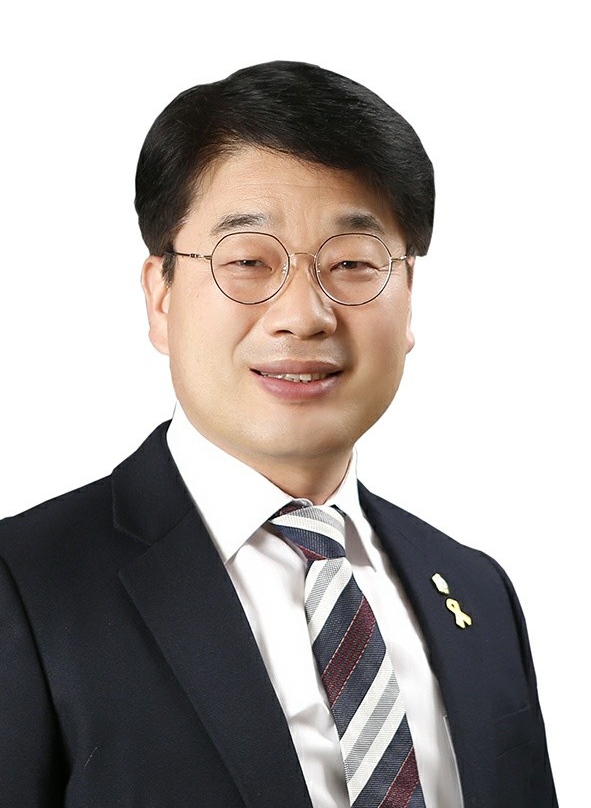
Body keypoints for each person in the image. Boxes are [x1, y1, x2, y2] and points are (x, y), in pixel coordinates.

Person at [0, 61, 556, 807]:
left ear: (408, 296)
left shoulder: (477, 591)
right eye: (247, 262)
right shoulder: (25, 585)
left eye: (352, 263)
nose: (303, 315)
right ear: (161, 297)